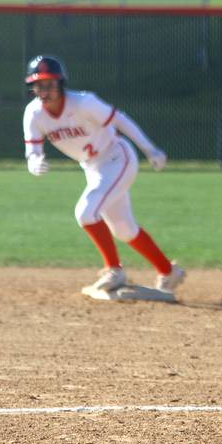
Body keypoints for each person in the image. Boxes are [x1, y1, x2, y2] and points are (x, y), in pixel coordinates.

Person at [22, 55, 186, 302]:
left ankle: (114, 270)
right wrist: (34, 162)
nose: (44, 90)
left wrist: (149, 149)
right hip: (93, 168)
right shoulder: (33, 113)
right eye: (39, 84)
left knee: (85, 213)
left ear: (61, 84)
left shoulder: (83, 103)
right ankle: (168, 271)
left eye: (50, 83)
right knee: (124, 229)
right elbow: (33, 151)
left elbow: (120, 119)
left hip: (117, 158)